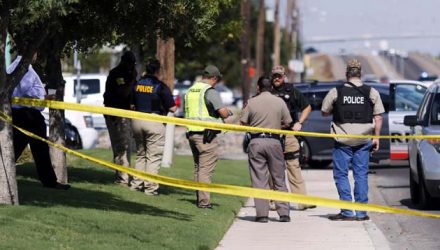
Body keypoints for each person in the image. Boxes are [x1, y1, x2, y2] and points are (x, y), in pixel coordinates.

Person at [321, 59, 384, 221]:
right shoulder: (371, 92)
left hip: (342, 141)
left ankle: (347, 212)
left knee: (341, 175)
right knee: (361, 175)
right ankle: (361, 213)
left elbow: (324, 111)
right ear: (360, 73)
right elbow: (378, 117)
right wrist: (376, 138)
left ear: (347, 73)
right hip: (363, 141)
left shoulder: (336, 91)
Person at [9, 54, 70, 190]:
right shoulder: (23, 68)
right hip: (27, 114)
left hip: (25, 114)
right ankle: (50, 182)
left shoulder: (20, 67)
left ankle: (50, 182)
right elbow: (24, 89)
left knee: (34, 148)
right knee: (29, 148)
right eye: (35, 52)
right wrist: (43, 96)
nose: (36, 55)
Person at [240, 76, 292, 223]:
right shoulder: (280, 102)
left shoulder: (251, 102)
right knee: (279, 178)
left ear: (258, 87)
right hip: (275, 141)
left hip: (256, 142)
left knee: (259, 179)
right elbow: (288, 122)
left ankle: (262, 215)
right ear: (271, 87)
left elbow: (242, 122)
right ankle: (284, 213)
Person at [184, 65, 232, 208]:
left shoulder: (191, 90)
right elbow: (223, 112)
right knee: (205, 170)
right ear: (214, 78)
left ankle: (199, 198)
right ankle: (204, 202)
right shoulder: (210, 91)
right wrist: (228, 112)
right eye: (216, 80)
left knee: (198, 168)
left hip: (192, 133)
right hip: (206, 136)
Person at [270, 65, 315, 210]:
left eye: (279, 76)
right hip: (272, 134)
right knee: (273, 169)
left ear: (284, 77)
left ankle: (302, 201)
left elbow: (307, 107)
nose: (277, 78)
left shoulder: (292, 91)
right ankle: (273, 201)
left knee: (294, 167)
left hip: (288, 134)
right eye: (275, 76)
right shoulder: (267, 91)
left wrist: (299, 123)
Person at [130, 59, 176, 195]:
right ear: (158, 71)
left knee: (140, 155)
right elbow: (173, 108)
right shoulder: (160, 86)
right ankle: (150, 188)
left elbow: (131, 105)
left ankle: (136, 184)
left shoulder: (137, 84)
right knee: (153, 156)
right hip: (154, 122)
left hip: (137, 121)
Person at [103, 51, 137, 186]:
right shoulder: (117, 74)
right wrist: (133, 80)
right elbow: (123, 92)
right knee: (121, 147)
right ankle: (122, 179)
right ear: (124, 62)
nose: (132, 66)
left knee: (124, 147)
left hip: (124, 114)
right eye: (130, 63)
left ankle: (124, 176)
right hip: (116, 115)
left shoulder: (128, 74)